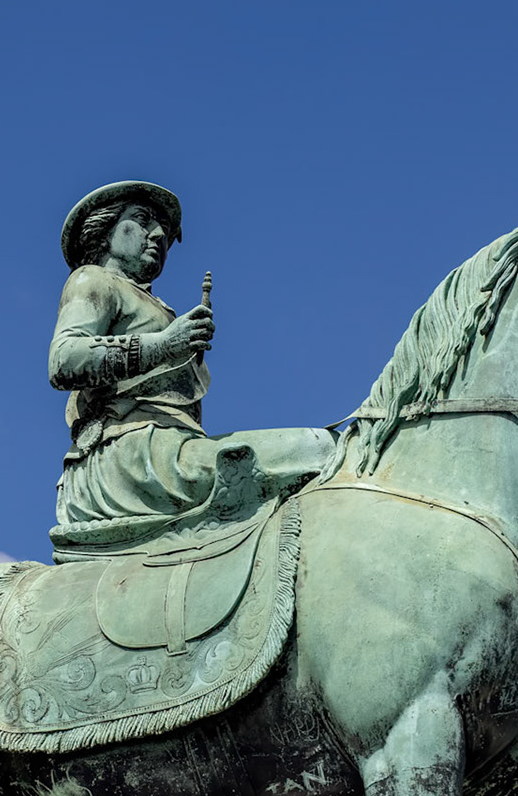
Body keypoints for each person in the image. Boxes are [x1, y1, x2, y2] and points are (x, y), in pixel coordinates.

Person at [49, 181, 331, 554]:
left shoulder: (156, 306)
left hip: (171, 446)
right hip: (129, 453)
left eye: (164, 229)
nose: (159, 234)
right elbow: (64, 360)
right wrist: (166, 344)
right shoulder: (93, 280)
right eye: (142, 219)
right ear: (104, 231)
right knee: (317, 448)